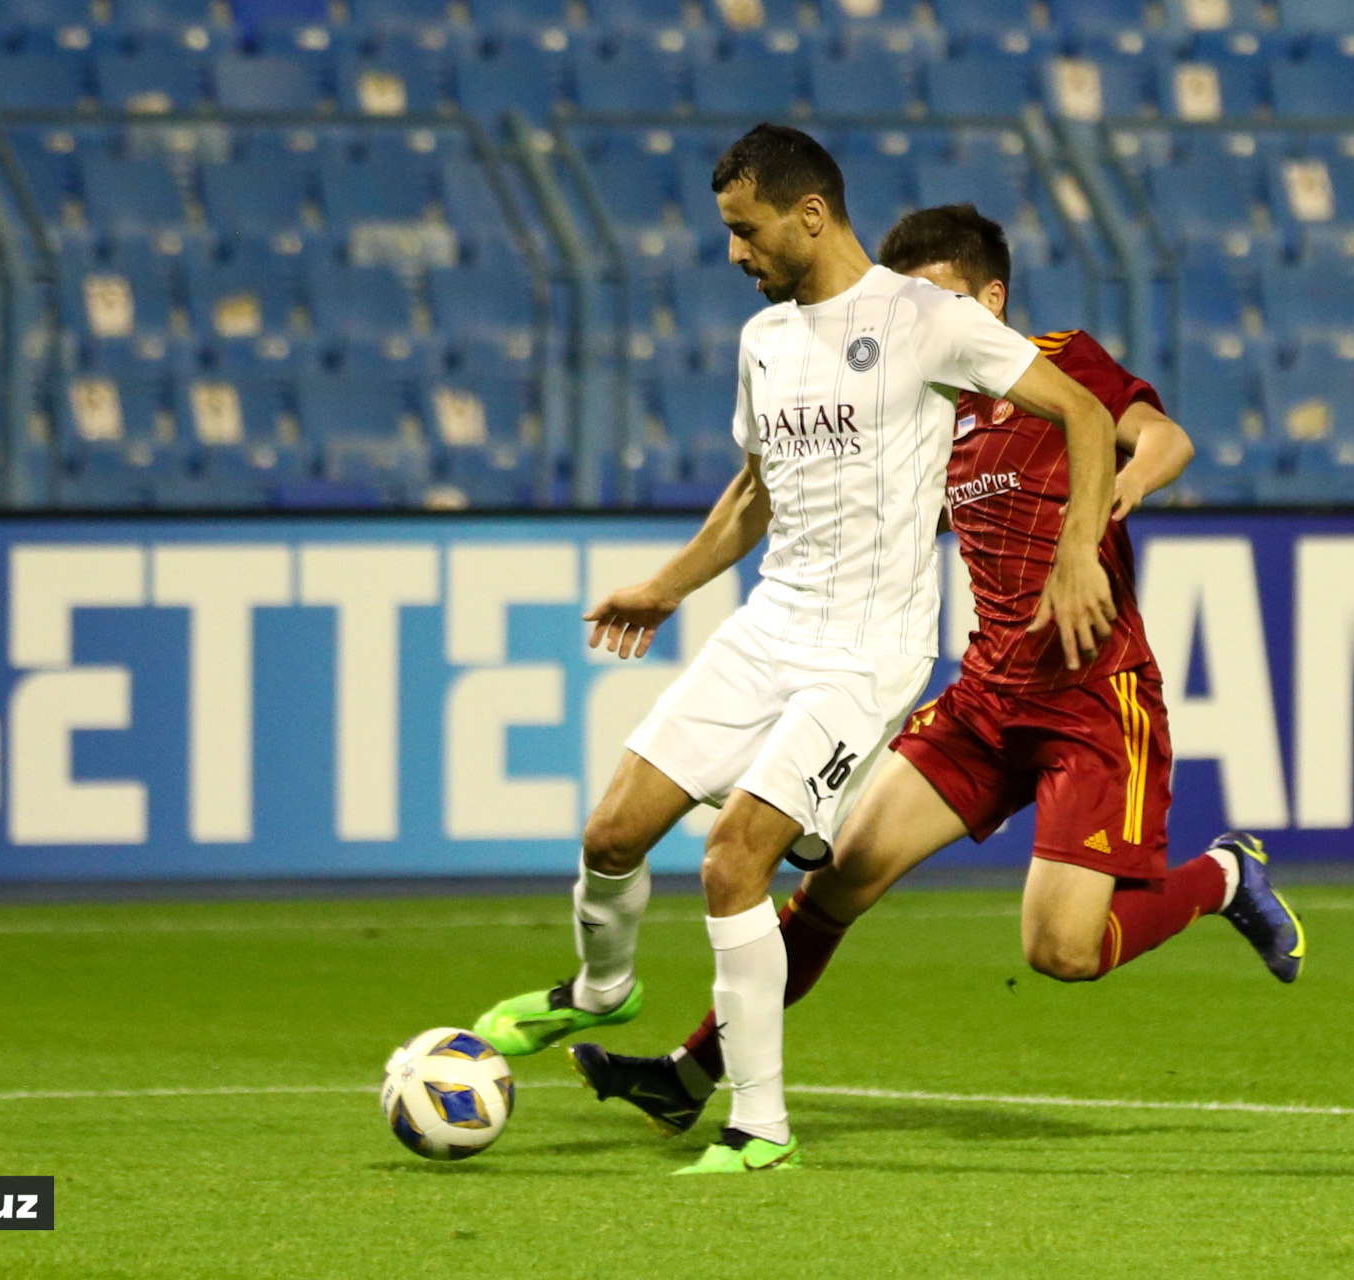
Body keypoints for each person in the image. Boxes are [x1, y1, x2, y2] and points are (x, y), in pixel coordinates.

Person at [566, 204, 1307, 1150]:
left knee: (1060, 952)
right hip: (986, 696)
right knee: (835, 887)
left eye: (944, 301)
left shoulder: (1059, 360)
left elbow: (1163, 436)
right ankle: (691, 1075)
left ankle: (1221, 875)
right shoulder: (929, 402)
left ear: (990, 300)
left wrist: (1110, 506)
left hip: (1092, 698)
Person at [471, 135, 1130, 1176]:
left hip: (866, 651)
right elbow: (754, 490)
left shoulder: (928, 320)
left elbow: (1087, 414)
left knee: (734, 857)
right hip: (771, 624)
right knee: (610, 833)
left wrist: (1080, 548)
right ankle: (600, 988)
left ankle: (760, 1123)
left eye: (746, 228)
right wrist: (668, 584)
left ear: (811, 214)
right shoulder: (764, 340)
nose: (734, 252)